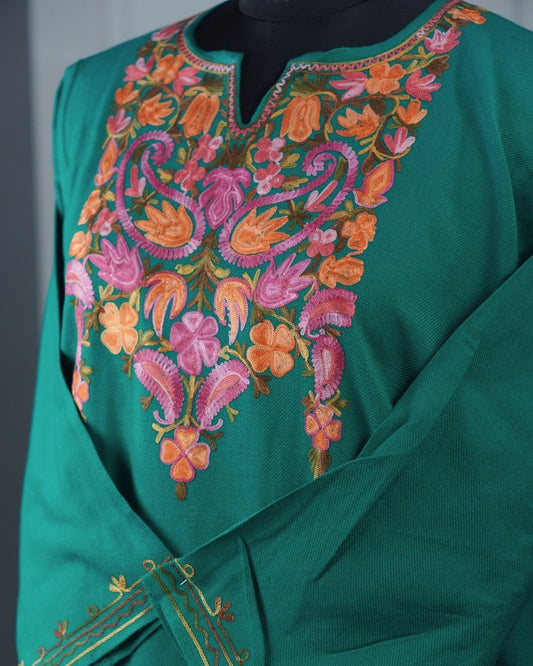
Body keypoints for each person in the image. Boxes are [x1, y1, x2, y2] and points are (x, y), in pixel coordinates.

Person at [17, 0, 533, 663]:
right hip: (106, 639)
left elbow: (495, 444)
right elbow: (62, 444)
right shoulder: (95, 92)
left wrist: (219, 615)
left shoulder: (508, 93)